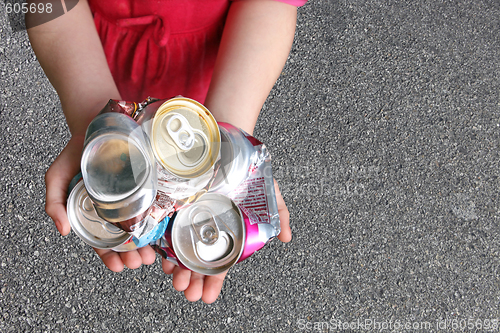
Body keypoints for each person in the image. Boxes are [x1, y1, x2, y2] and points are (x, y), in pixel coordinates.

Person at [27, 0, 305, 304]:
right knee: (170, 132)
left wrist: (229, 138)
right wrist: (92, 116)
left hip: (223, 64)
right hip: (87, 52)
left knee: (185, 131)